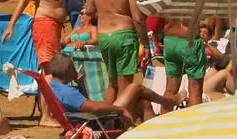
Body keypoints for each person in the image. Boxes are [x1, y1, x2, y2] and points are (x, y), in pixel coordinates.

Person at [46, 52, 176, 125]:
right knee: (135, 87)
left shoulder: (53, 87)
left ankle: (154, 137)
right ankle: (167, 102)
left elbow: (84, 107)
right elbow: (94, 108)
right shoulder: (67, 93)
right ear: (67, 70)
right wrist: (120, 109)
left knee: (143, 103)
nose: (75, 71)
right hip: (101, 124)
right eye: (73, 68)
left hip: (88, 121)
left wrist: (80, 84)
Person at [87, 0, 148, 103]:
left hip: (104, 36)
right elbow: (138, 18)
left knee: (112, 83)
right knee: (125, 84)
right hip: (123, 35)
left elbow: (89, 10)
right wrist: (145, 43)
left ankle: (108, 118)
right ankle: (123, 120)